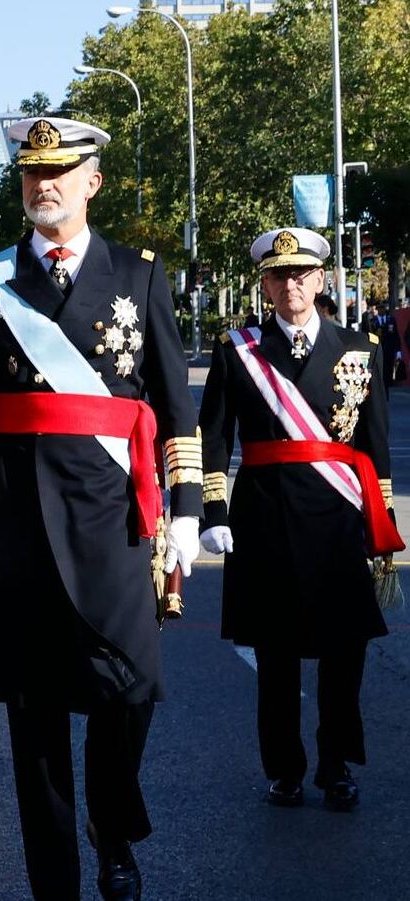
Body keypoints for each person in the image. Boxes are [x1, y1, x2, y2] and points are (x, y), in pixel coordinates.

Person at [0, 117, 202, 901]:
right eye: (29, 174)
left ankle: (112, 826)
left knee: (130, 688)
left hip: (116, 517)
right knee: (36, 716)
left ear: (92, 182)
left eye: (58, 173)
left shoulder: (138, 273)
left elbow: (175, 403)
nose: (41, 185)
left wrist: (185, 505)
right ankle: (54, 879)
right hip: (18, 521)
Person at [198, 227, 402, 812]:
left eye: (301, 274)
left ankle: (336, 765)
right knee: (277, 656)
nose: (291, 284)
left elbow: (375, 445)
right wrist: (214, 508)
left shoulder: (361, 348)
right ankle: (284, 768)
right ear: (264, 284)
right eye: (279, 275)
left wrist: (379, 523)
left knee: (345, 654)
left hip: (339, 519)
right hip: (266, 517)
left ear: (320, 280)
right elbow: (214, 437)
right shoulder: (238, 351)